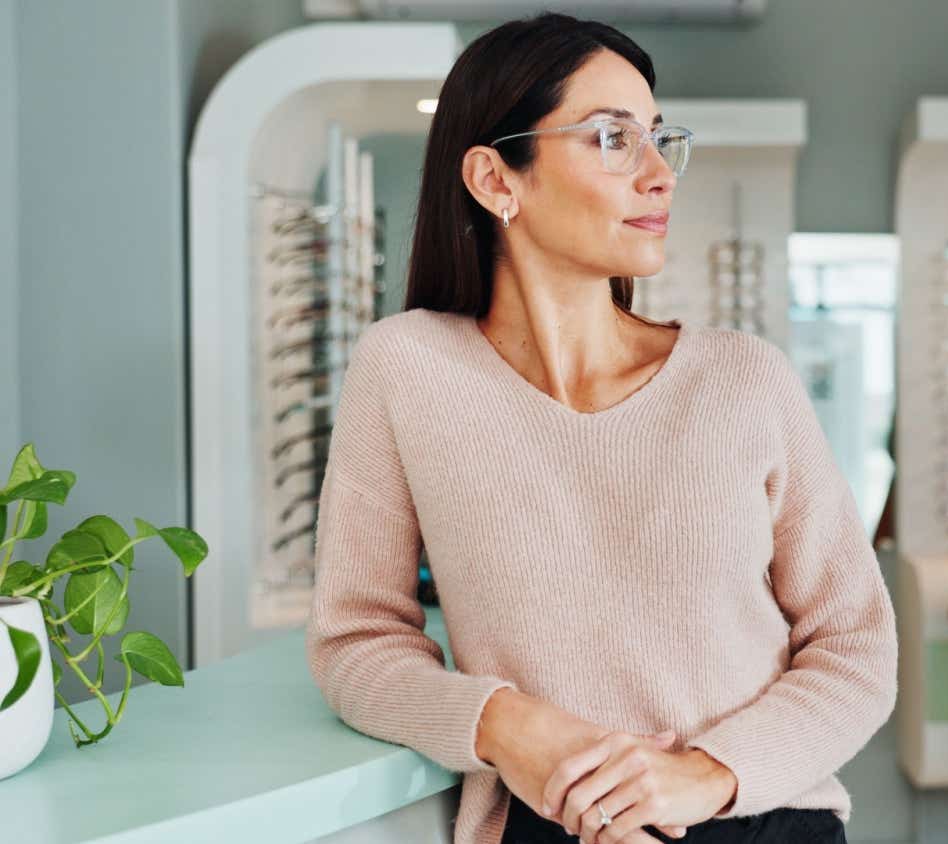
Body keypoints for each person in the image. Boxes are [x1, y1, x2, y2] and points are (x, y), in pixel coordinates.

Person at [304, 15, 897, 844]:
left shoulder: (743, 380)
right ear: (494, 178)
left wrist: (705, 775)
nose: (659, 174)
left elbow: (855, 646)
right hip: (551, 826)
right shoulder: (406, 370)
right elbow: (355, 642)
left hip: (759, 818)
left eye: (658, 138)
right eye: (613, 138)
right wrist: (509, 728)